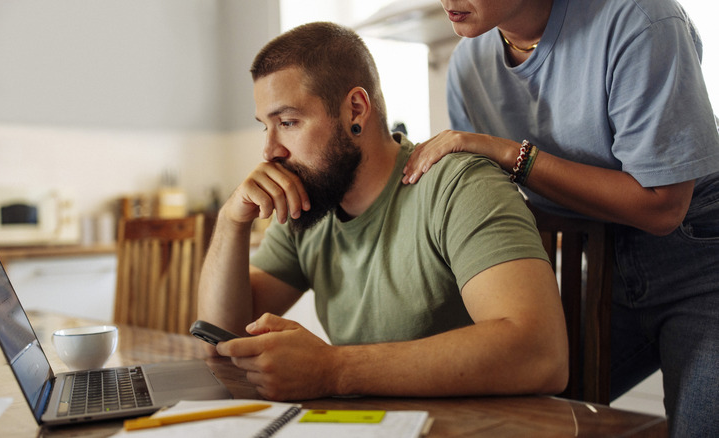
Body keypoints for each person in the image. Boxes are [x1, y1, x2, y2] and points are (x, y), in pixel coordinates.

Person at [196, 21, 569, 402]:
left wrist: (333, 370)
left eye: (288, 122)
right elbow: (223, 340)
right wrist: (231, 222)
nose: (270, 151)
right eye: (266, 127)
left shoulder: (458, 184)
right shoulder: (309, 204)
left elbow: (540, 353)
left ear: (355, 110)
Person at [402, 1, 719, 435]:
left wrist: (510, 153)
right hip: (599, 262)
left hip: (702, 261)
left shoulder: (640, 17)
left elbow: (663, 206)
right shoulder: (467, 65)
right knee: (499, 405)